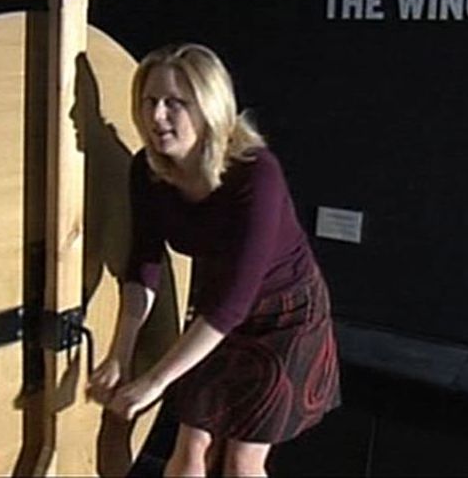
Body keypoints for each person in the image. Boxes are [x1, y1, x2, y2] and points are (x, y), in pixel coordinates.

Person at [86, 43, 341, 477]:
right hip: (216, 310)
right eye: (149, 101)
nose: (157, 116)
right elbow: (145, 263)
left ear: (209, 108)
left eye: (175, 103)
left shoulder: (256, 173)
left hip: (284, 319)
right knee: (190, 451)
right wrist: (120, 353)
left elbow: (233, 304)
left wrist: (154, 381)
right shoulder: (147, 169)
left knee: (241, 462)